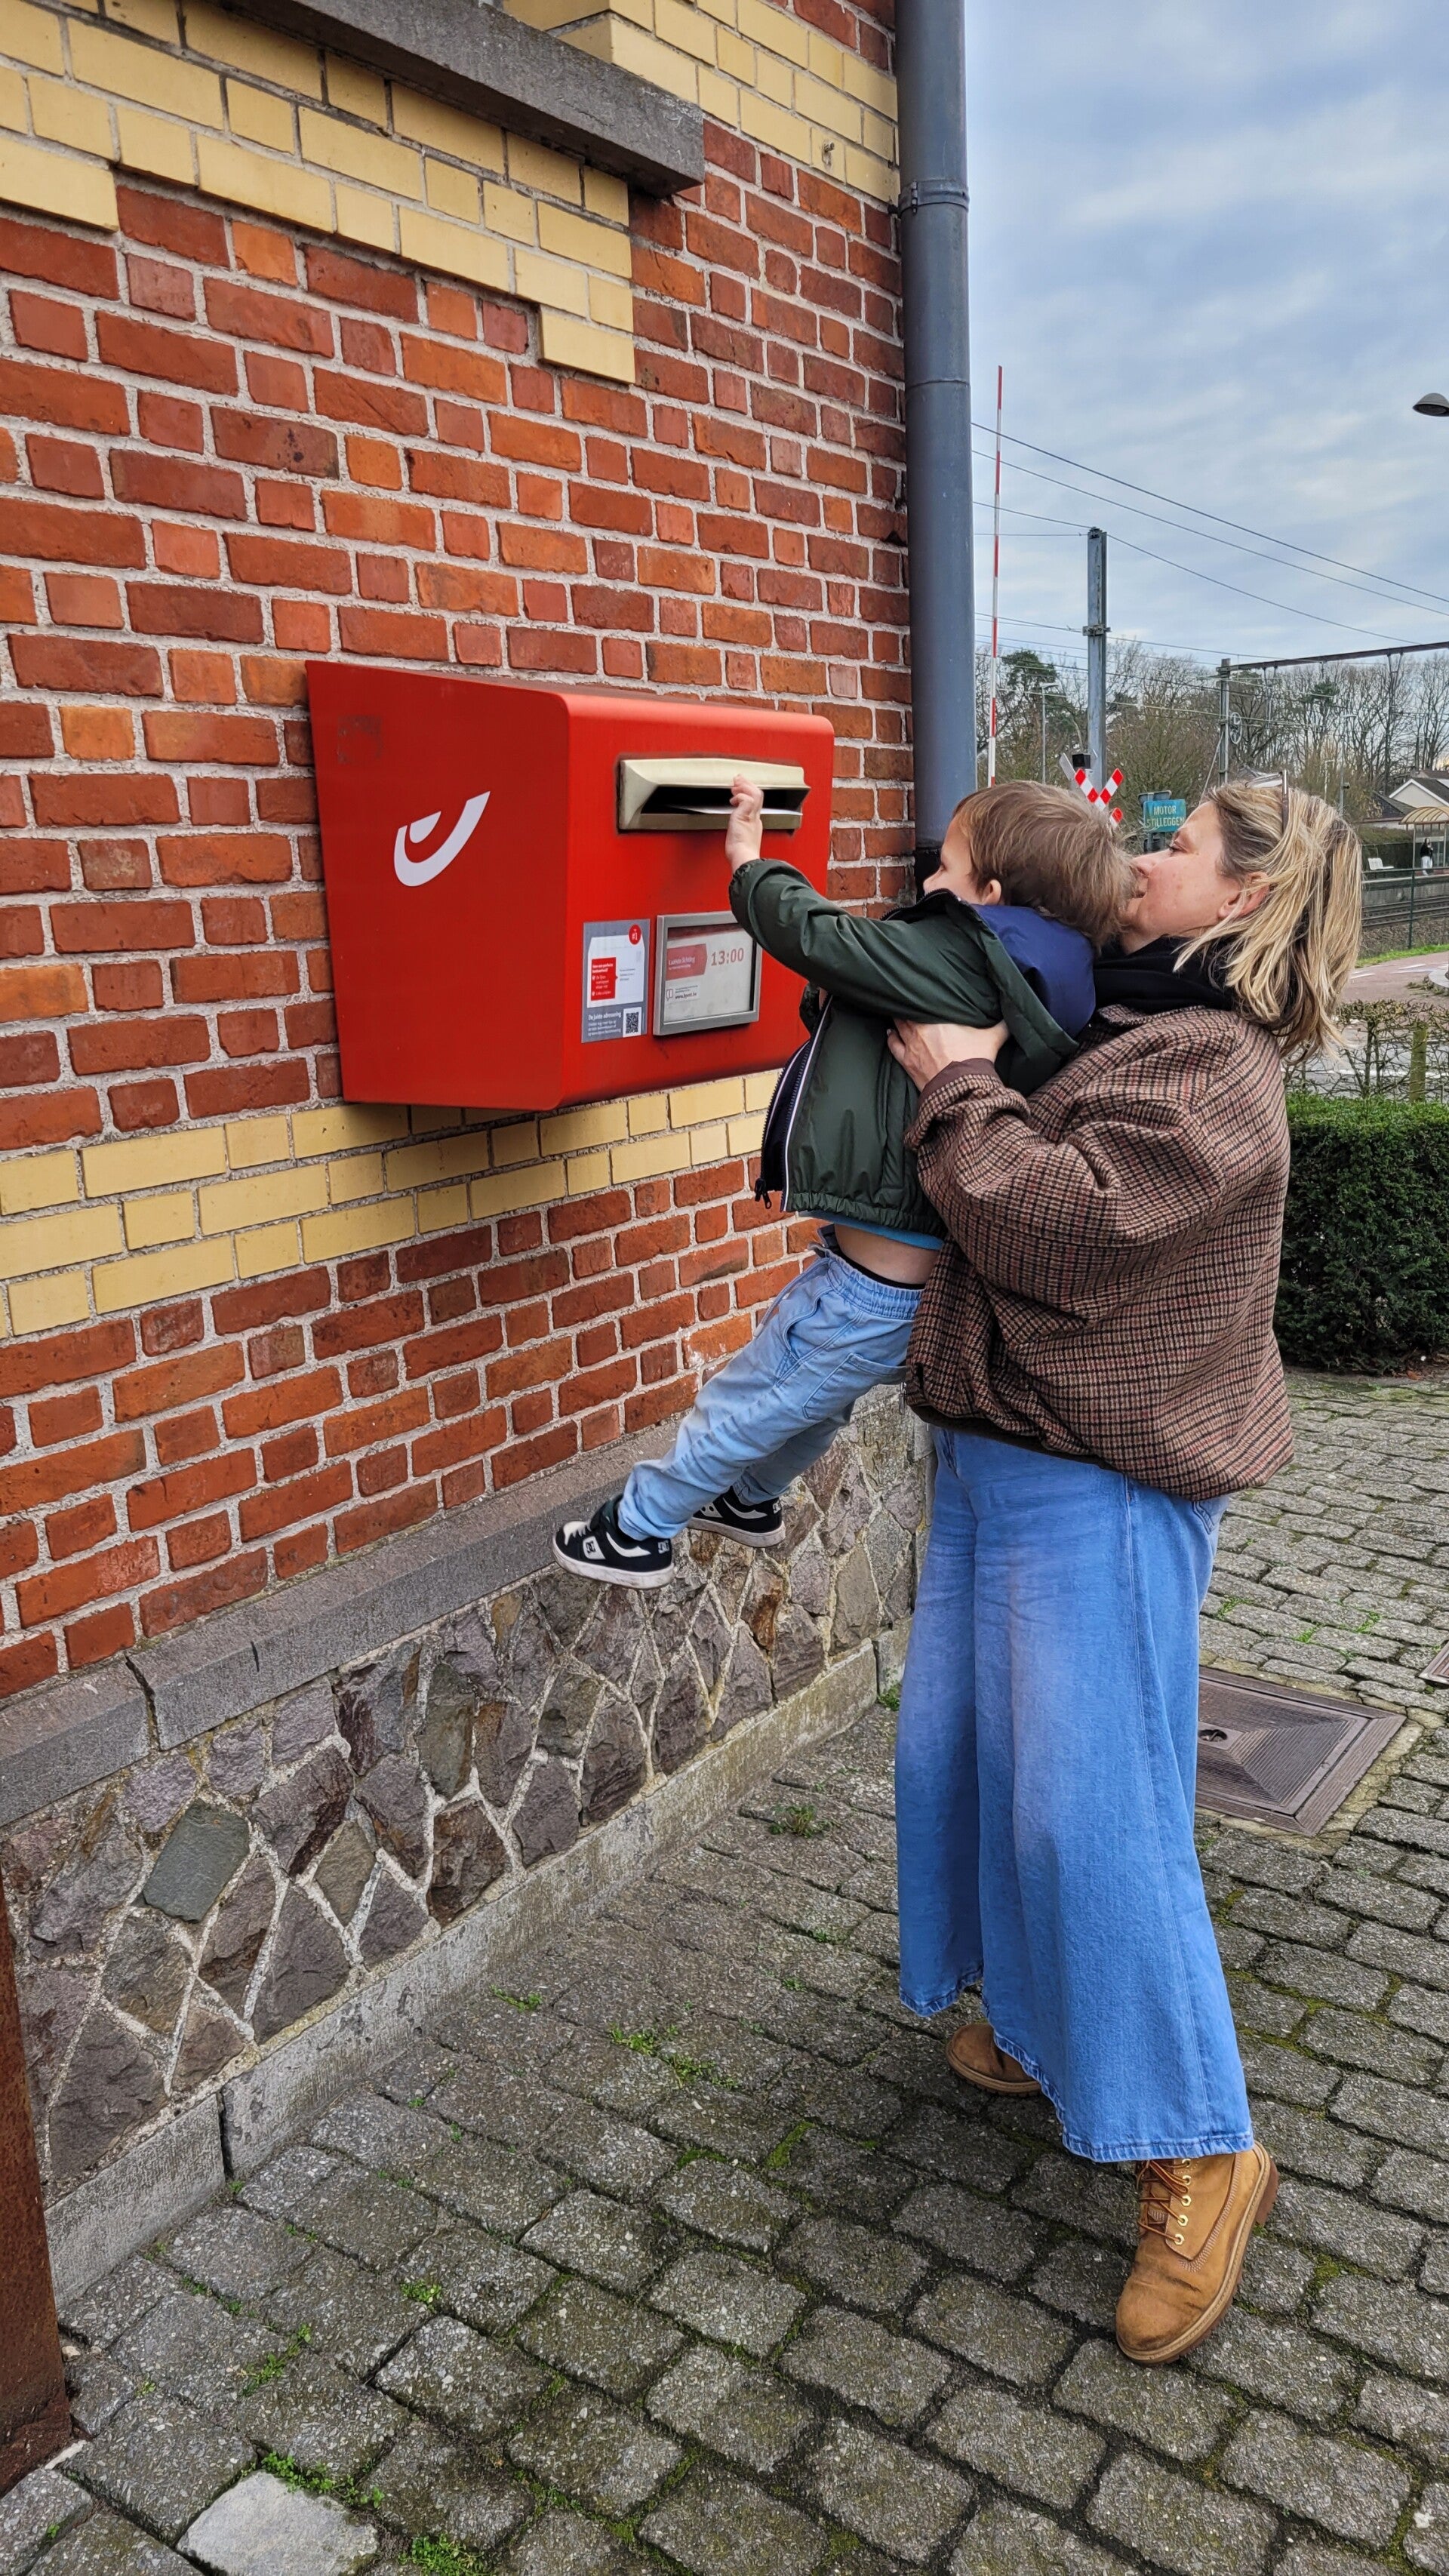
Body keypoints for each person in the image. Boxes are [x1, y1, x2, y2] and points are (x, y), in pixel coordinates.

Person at [888, 780, 1362, 2365]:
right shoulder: (1128, 1016)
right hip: (1011, 1457)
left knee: (1094, 1814)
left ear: (1242, 896)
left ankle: (1202, 2149)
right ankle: (1046, 2025)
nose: (1143, 861)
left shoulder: (1212, 1062)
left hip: (1097, 1482)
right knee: (987, 1765)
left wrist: (959, 1087)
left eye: (1177, 845)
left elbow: (1071, 1231)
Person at [555, 777, 1130, 1588]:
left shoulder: (965, 952)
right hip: (918, 1284)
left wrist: (748, 862)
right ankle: (751, 1498)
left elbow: (824, 937)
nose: (928, 880)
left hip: (870, 1290)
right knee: (812, 1398)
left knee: (750, 1398)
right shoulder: (1052, 971)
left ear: (991, 894)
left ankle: (635, 1531)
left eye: (944, 867)